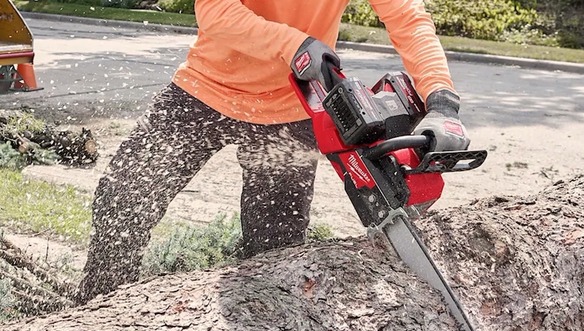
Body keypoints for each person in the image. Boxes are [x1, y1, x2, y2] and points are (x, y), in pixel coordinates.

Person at [76, 0, 471, 303]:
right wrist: (294, 44)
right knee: (123, 198)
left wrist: (442, 101)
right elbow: (214, 9)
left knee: (274, 247)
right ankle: (97, 304)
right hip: (203, 90)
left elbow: (408, 19)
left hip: (288, 110)